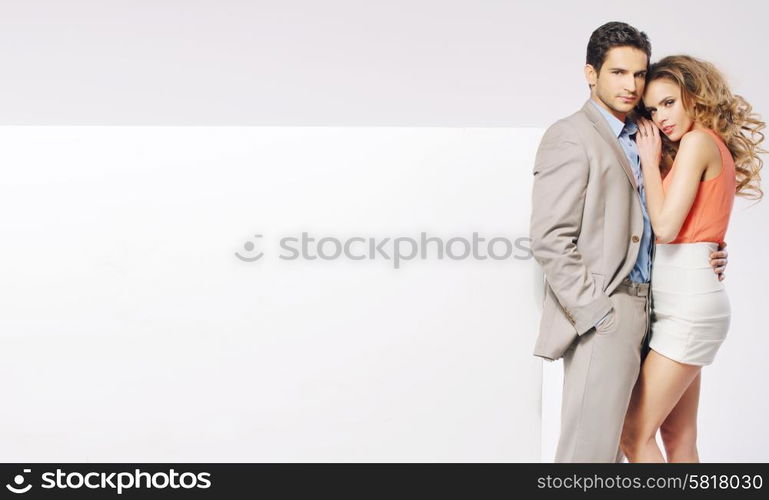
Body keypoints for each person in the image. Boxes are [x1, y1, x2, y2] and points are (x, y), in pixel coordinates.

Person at [529, 22, 728, 463]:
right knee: (590, 453)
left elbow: (675, 214)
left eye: (639, 74)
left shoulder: (651, 131)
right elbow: (549, 238)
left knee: (633, 446)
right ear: (590, 74)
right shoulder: (570, 136)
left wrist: (703, 253)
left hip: (659, 309)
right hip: (609, 310)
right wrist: (596, 314)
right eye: (618, 73)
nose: (631, 85)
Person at [620, 55, 765, 462]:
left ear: (694, 95)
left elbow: (665, 228)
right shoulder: (693, 147)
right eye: (651, 110)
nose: (660, 118)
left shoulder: (699, 142)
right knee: (678, 436)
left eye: (669, 103)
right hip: (686, 297)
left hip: (689, 305)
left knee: (632, 436)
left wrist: (648, 160)